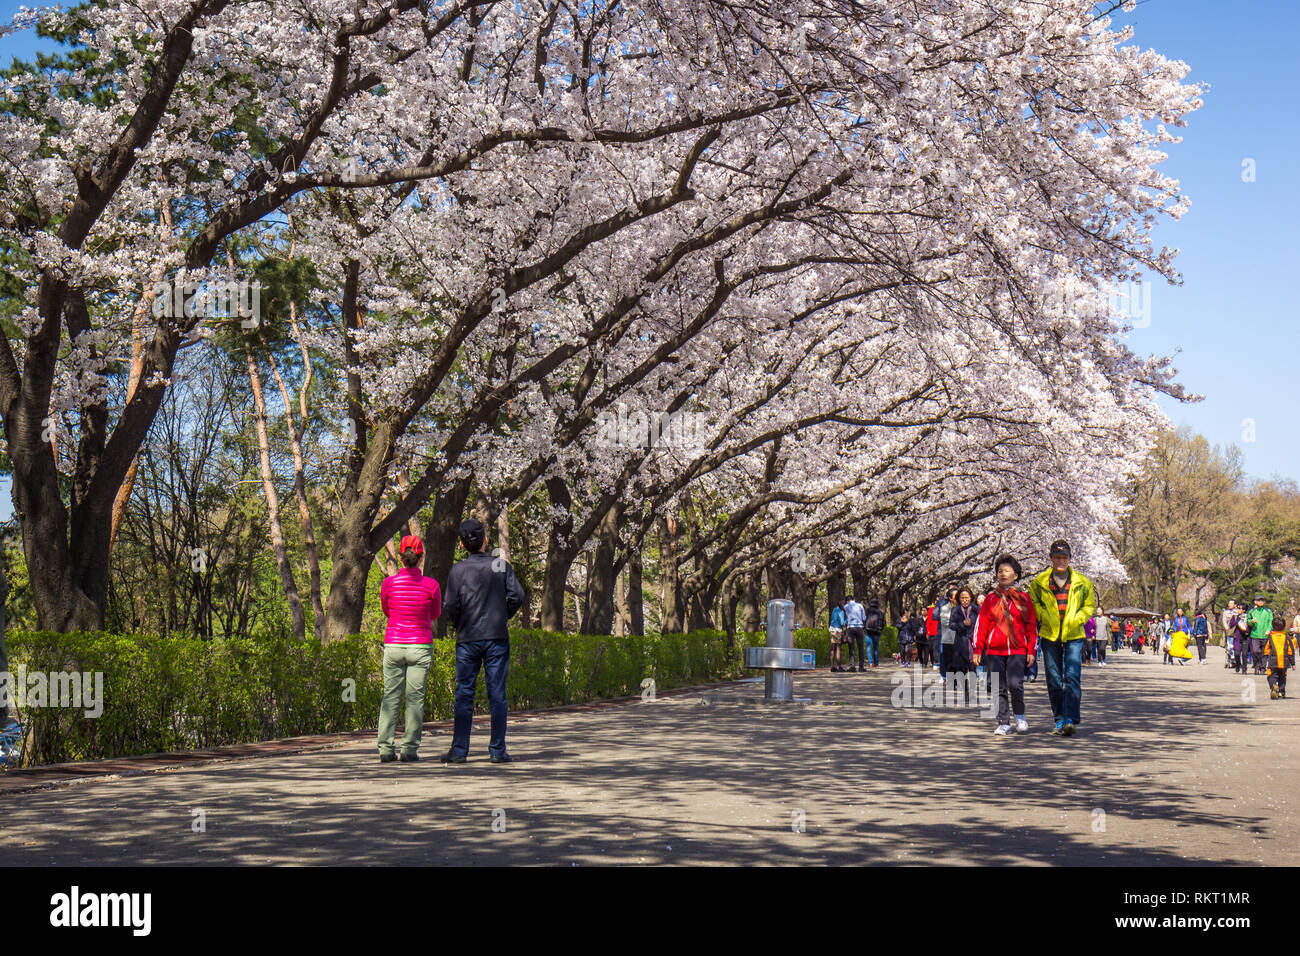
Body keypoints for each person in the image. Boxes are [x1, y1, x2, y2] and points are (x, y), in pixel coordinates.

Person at [441, 518, 526, 764]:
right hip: (496, 636)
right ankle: (497, 750)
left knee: (464, 693)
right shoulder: (499, 566)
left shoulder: (458, 570)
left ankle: (459, 750)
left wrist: (460, 623)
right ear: (485, 541)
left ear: (461, 544)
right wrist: (504, 614)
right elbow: (517, 595)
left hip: (468, 638)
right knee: (497, 693)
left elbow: (450, 605)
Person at [376, 535, 442, 763]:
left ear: (401, 557)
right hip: (420, 645)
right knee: (415, 699)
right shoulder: (431, 585)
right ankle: (409, 749)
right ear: (420, 557)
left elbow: (387, 611)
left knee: (390, 697)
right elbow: (435, 614)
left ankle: (385, 749)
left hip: (394, 644)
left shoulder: (389, 584)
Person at [1028, 539, 1096, 737]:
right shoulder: (1040, 582)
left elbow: (1089, 605)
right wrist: (1043, 616)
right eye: (1057, 557)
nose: (1061, 560)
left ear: (1070, 558)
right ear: (1051, 558)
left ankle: (1069, 719)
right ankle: (1059, 718)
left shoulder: (1082, 582)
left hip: (1074, 633)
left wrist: (1079, 618)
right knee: (1054, 679)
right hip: (1049, 634)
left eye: (1064, 557)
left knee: (1073, 677)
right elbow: (1034, 603)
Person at [972, 555, 1037, 736]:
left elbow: (1032, 626)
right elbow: (982, 624)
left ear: (1015, 575)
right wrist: (978, 648)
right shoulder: (990, 599)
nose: (1003, 574)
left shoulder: (1024, 599)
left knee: (1015, 683)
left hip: (1018, 649)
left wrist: (1031, 649)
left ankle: (1020, 716)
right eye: (1000, 571)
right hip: (994, 650)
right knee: (995, 685)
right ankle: (1003, 721)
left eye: (1007, 571)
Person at [948, 587, 978, 697]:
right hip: (960, 642)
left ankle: (973, 690)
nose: (964, 600)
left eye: (966, 598)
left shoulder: (976, 609)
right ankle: (965, 689)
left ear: (971, 598)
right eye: (962, 598)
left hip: (972, 641)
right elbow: (951, 625)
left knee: (973, 667)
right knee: (962, 668)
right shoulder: (955, 610)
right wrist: (962, 624)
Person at [1264, 619, 1297, 700]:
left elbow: (1265, 650)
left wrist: (1264, 660)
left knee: (1271, 676)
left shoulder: (1270, 637)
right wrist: (1293, 663)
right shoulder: (1287, 637)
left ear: (1272, 627)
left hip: (1273, 661)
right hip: (1284, 662)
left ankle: (1273, 685)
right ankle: (1281, 692)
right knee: (1282, 677)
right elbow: (1291, 651)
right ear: (1284, 627)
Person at [1246, 596, 1274, 677]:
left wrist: (1269, 629)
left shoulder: (1268, 611)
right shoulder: (1252, 611)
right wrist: (1251, 621)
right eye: (1259, 600)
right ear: (1255, 602)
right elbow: (1248, 621)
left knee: (1264, 652)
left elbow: (1271, 621)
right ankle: (1256, 665)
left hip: (1265, 635)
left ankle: (1262, 668)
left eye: (1262, 600)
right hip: (1255, 634)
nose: (1261, 602)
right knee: (1255, 651)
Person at [937, 585, 957, 682]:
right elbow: (945, 622)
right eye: (955, 596)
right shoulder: (945, 608)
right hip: (948, 638)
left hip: (959, 639)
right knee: (948, 660)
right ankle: (949, 678)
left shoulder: (962, 608)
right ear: (950, 598)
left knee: (958, 660)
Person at [863, 598, 886, 669]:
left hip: (868, 632)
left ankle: (870, 663)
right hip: (877, 632)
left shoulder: (867, 611)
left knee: (868, 647)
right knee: (876, 648)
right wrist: (880, 629)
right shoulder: (880, 612)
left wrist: (864, 628)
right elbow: (884, 623)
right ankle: (876, 662)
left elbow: (863, 620)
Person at [829, 599, 848, 672]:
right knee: (838, 648)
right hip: (837, 630)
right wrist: (846, 618)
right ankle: (839, 666)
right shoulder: (841, 611)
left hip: (831, 628)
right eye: (843, 604)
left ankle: (832, 666)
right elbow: (843, 623)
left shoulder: (834, 609)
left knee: (832, 648)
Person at [924, 601, 940, 671]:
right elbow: (929, 621)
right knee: (936, 648)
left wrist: (928, 632)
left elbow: (928, 621)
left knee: (935, 648)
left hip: (935, 632)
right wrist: (928, 632)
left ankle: (936, 662)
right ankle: (937, 662)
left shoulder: (932, 609)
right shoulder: (932, 610)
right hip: (936, 631)